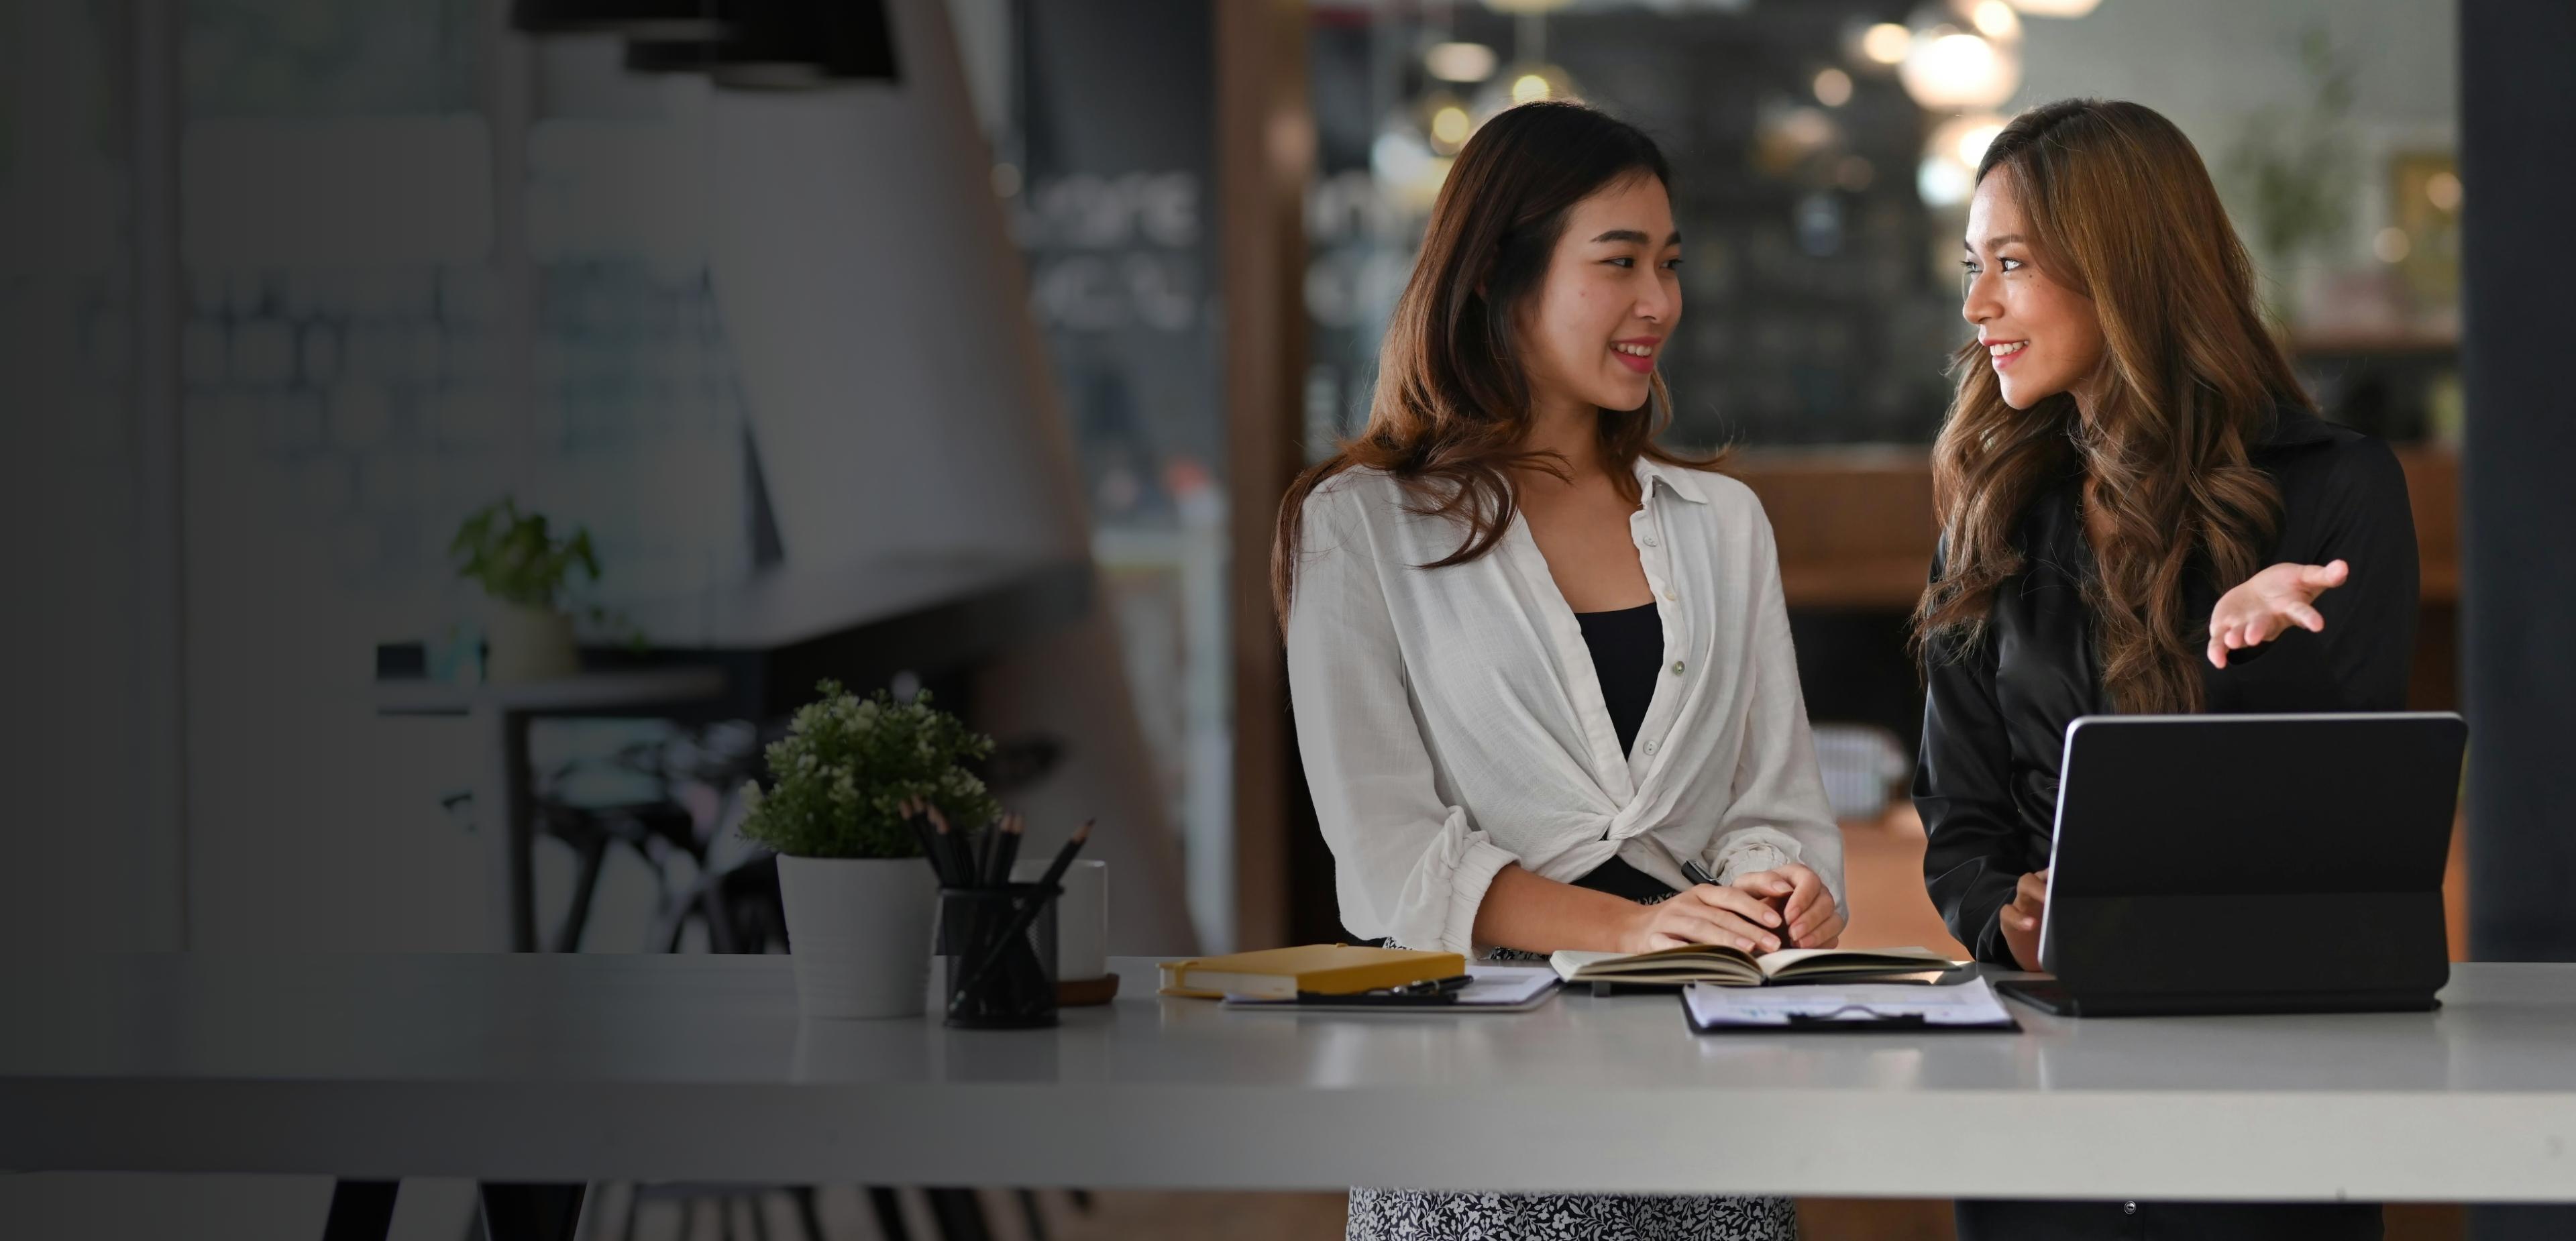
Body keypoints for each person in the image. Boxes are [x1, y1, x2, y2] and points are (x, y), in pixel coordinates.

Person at [1274, 101, 1845, 1241]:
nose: (1660, 303)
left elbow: (1771, 800)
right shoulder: (1358, 527)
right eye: (1620, 262)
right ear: (1498, 274)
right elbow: (1386, 855)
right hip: (1476, 1084)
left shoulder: (1723, 523)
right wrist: (1627, 928)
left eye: (1671, 264)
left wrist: (1780, 884)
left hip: (1706, 1076)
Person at [1915, 97, 2416, 1240]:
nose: (1975, 304)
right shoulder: (1994, 513)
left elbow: (2348, 839)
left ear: (2121, 269)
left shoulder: (2334, 489)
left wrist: (2237, 651)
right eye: (1971, 264)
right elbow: (1960, 820)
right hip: (2038, 1079)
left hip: (2267, 1081)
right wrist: (2009, 918)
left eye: (2010, 263)